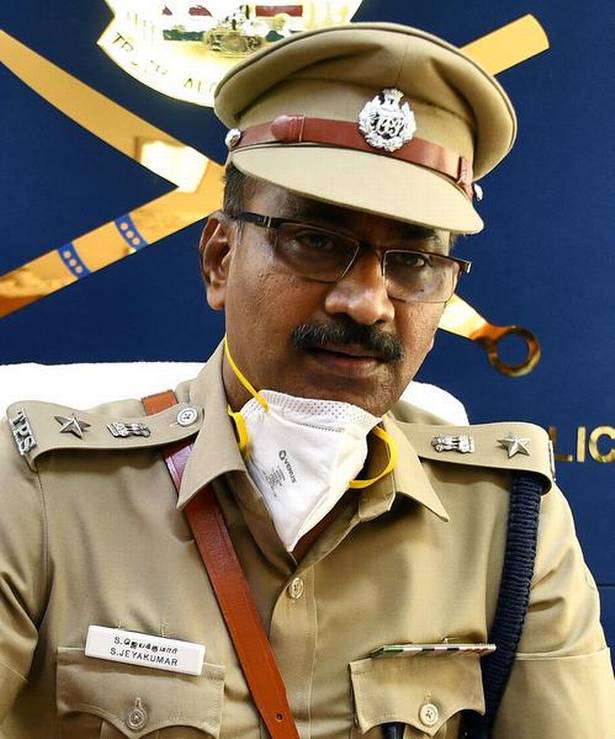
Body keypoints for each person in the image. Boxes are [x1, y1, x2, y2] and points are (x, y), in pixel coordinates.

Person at [0, 21, 613, 739]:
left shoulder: (510, 521)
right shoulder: (42, 495)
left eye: (413, 260)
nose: (366, 302)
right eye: (315, 241)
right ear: (220, 259)